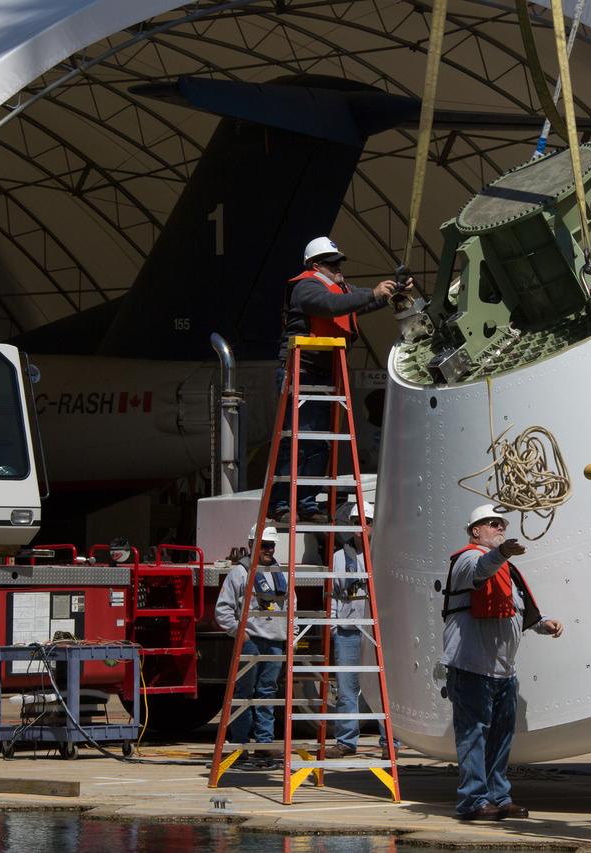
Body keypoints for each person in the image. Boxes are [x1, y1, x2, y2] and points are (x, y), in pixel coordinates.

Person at [271, 237, 410, 524]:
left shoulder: (339, 288)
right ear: (315, 265)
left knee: (319, 442)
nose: (338, 267)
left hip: (324, 374)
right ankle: (283, 504)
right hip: (302, 371)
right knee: (299, 441)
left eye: (338, 263)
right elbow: (331, 305)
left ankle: (307, 504)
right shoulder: (305, 287)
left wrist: (391, 291)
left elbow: (356, 301)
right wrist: (373, 292)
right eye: (332, 263)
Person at [440, 504, 564, 821]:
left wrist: (543, 622)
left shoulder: (504, 570)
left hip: (502, 671)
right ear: (475, 531)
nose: (499, 528)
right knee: (473, 736)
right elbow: (480, 569)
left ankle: (497, 797)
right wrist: (502, 554)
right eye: (492, 524)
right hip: (471, 668)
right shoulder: (468, 560)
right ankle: (473, 801)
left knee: (499, 738)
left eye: (502, 524)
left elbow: (515, 610)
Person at [324, 500, 398, 758]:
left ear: (373, 525)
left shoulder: (384, 555)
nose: (360, 528)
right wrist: (334, 626)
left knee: (383, 687)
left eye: (365, 522)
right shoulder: (338, 558)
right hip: (348, 629)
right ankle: (345, 740)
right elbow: (333, 594)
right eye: (356, 523)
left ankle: (390, 742)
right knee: (346, 689)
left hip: (378, 631)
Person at [215, 524, 290, 766]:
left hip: (275, 641)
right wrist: (239, 634)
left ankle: (264, 744)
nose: (269, 550)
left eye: (272, 545)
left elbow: (291, 607)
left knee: (267, 693)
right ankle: (241, 744)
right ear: (252, 545)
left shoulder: (282, 573)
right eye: (264, 545)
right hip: (250, 642)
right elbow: (223, 609)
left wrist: (292, 635)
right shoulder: (240, 573)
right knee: (244, 693)